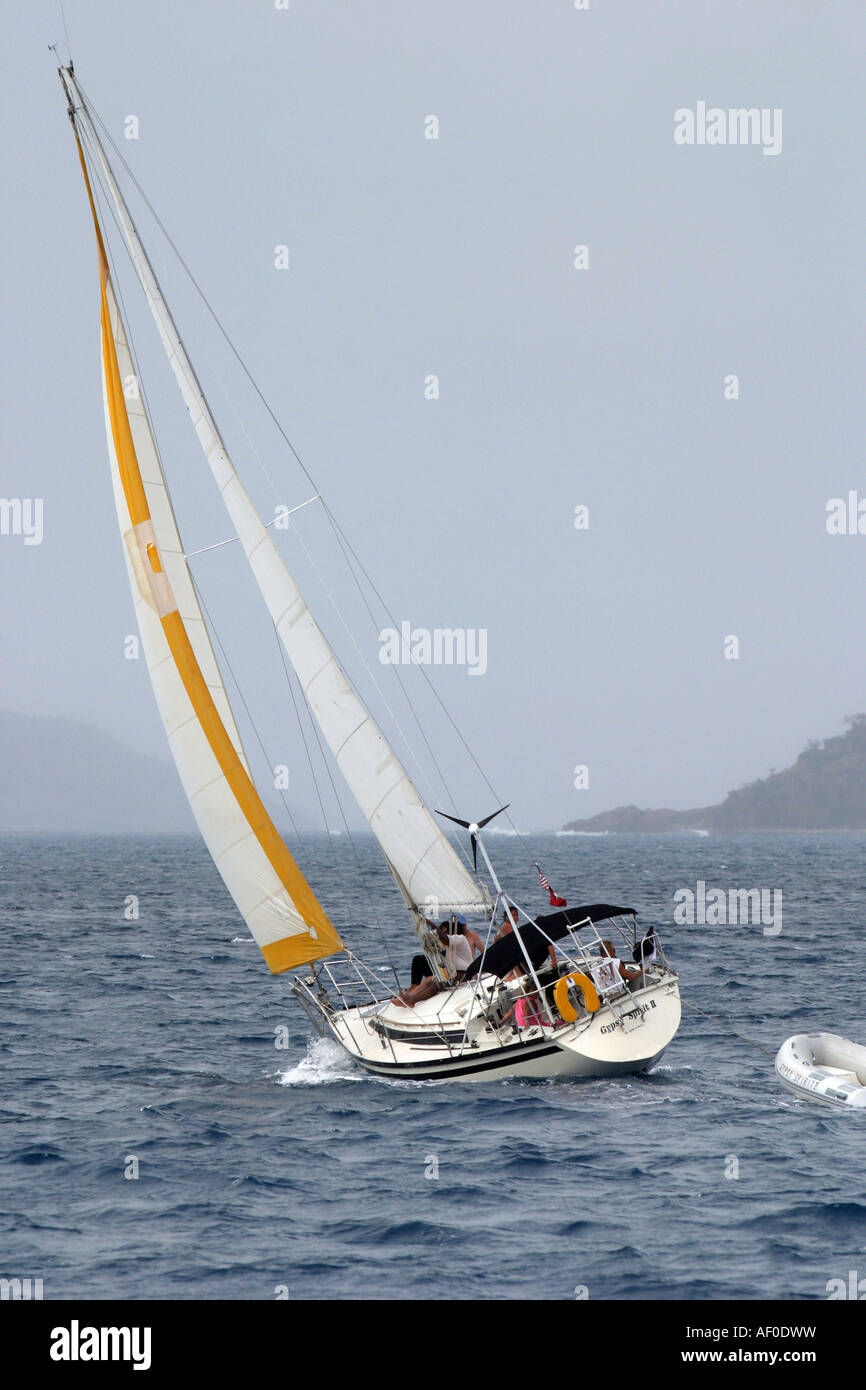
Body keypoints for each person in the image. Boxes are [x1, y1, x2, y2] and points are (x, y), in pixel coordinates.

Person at [392, 923, 473, 1008]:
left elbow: (445, 938)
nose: (441, 935)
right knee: (428, 980)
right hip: (453, 973)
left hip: (464, 973)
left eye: (444, 932)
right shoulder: (449, 946)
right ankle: (409, 996)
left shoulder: (461, 939)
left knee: (437, 983)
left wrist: (431, 924)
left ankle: (413, 1000)